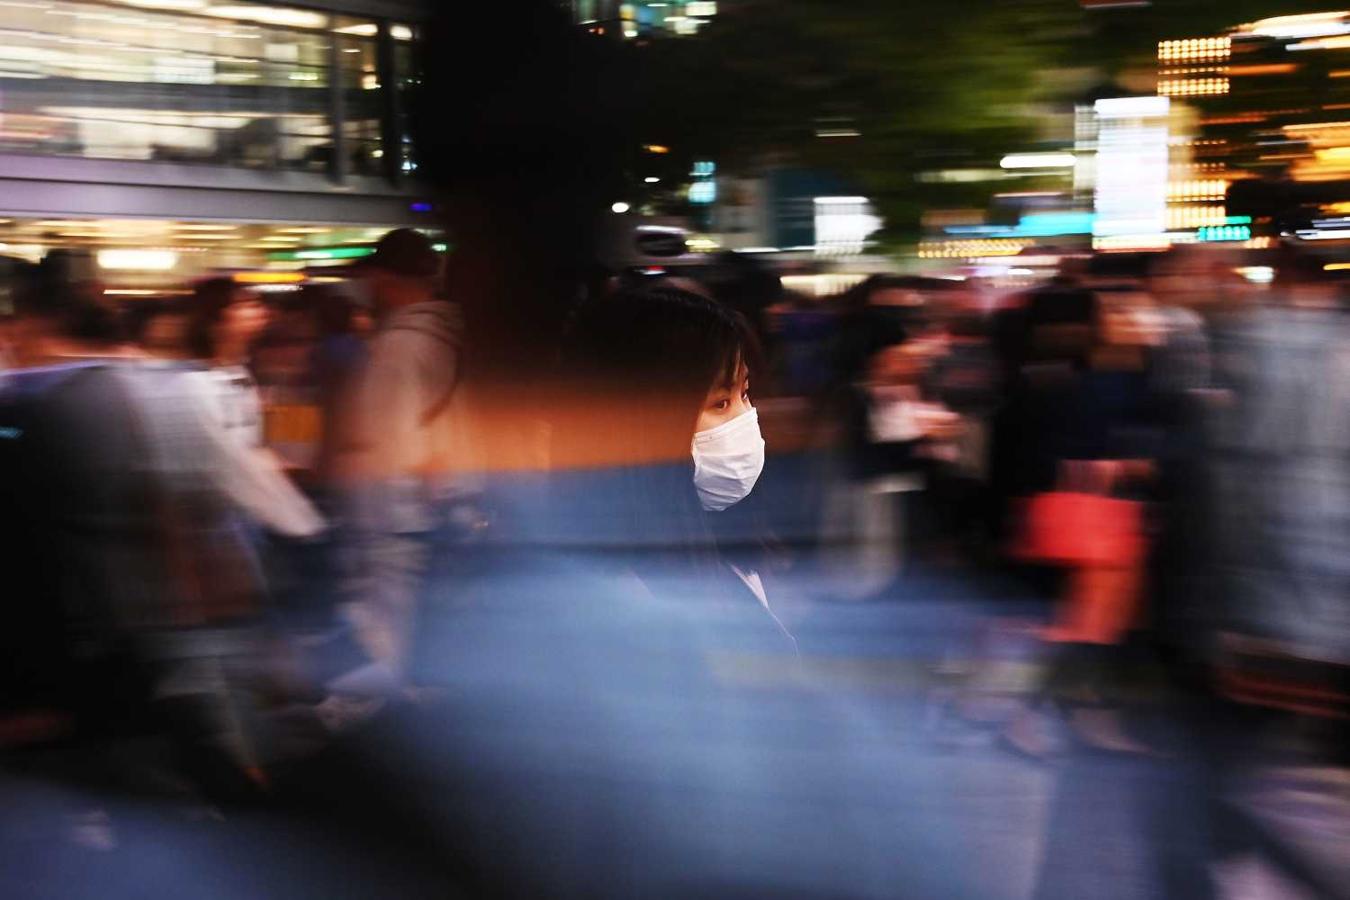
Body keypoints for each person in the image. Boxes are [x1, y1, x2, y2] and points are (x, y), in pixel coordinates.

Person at [330, 227, 464, 682]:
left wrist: (371, 519)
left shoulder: (399, 346)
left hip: (400, 517)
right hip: (450, 504)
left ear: (387, 278)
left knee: (388, 635)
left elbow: (393, 442)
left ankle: (377, 722)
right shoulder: (454, 333)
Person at [182, 277, 325, 540]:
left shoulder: (240, 373)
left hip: (249, 517)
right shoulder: (200, 384)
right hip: (223, 522)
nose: (259, 310)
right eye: (245, 304)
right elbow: (229, 460)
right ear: (217, 320)